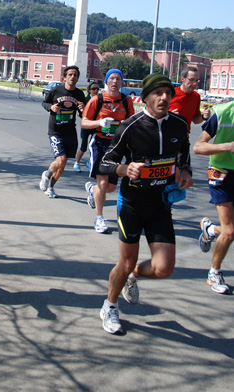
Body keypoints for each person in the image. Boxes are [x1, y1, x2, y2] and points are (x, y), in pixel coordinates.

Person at [98, 74, 193, 334]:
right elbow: (104, 163)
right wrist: (124, 168)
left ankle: (133, 277)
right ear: (146, 96)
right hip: (132, 203)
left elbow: (183, 153)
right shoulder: (130, 125)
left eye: (168, 94)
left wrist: (185, 171)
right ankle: (110, 305)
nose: (164, 98)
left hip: (160, 204)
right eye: (158, 93)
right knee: (126, 262)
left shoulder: (179, 124)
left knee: (164, 268)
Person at [81, 69, 134, 234]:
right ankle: (99, 218)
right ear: (106, 81)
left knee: (109, 188)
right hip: (100, 143)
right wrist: (99, 122)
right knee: (103, 183)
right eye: (111, 78)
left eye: (118, 79)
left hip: (117, 146)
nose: (115, 81)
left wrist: (125, 124)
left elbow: (132, 122)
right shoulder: (97, 100)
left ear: (121, 82)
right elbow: (84, 122)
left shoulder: (126, 101)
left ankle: (92, 190)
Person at [193, 100, 234, 295]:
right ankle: (214, 272)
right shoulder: (222, 112)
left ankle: (210, 229)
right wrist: (228, 146)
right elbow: (198, 147)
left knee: (229, 229)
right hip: (222, 173)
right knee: (230, 231)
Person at [39, 65, 86, 198]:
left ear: (77, 78)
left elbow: (83, 115)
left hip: (70, 132)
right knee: (61, 160)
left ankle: (51, 187)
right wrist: (51, 107)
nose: (72, 77)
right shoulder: (55, 91)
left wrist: (83, 110)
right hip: (56, 131)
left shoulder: (79, 94)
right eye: (70, 75)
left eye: (75, 75)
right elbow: (44, 103)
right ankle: (47, 174)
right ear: (64, 78)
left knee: (63, 163)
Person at [169, 66, 210, 132]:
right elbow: (155, 114)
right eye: (191, 80)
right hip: (168, 134)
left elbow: (195, 120)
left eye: (196, 80)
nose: (195, 83)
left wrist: (203, 116)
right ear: (183, 79)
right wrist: (168, 115)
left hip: (184, 136)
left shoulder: (196, 96)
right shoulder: (171, 93)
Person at [73, 82, 100, 173]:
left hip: (95, 127)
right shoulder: (86, 100)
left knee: (95, 147)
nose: (95, 91)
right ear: (89, 90)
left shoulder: (100, 100)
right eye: (93, 89)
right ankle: (77, 163)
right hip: (86, 127)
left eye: (97, 89)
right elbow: (80, 114)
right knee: (83, 147)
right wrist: (82, 110)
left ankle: (90, 163)